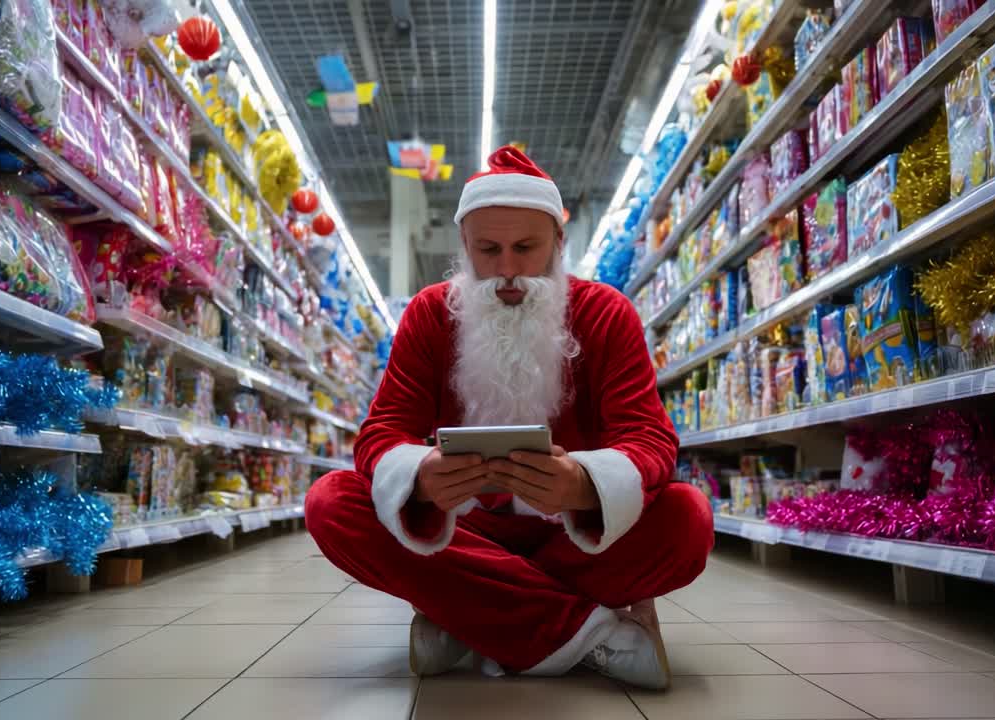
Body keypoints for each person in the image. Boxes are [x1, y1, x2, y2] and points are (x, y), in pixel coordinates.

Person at [305, 146, 714, 690]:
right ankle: (589, 634)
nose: (507, 271)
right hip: (467, 530)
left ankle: (469, 613)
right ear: (463, 247)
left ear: (559, 244)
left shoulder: (607, 313)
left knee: (688, 519)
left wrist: (586, 486)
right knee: (331, 503)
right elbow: (381, 434)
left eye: (526, 248)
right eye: (487, 250)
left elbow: (649, 438)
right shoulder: (430, 314)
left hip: (573, 534)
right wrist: (421, 477)